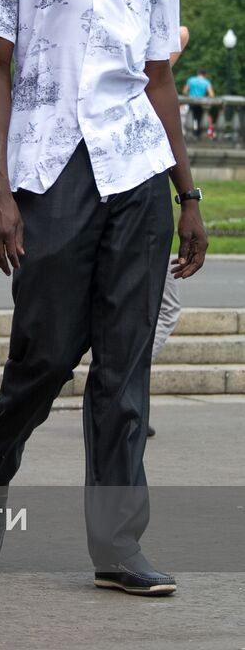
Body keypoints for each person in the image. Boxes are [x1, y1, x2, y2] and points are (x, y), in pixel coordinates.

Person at [0, 0, 207, 596]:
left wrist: (187, 194)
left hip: (135, 170)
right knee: (47, 351)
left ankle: (117, 547)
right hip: (50, 167)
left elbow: (157, 77)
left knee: (124, 368)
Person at [148, 26, 189, 438]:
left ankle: (120, 387)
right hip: (141, 201)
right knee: (166, 309)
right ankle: (122, 386)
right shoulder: (145, 79)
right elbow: (183, 32)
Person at [183, 69, 214, 136]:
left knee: (190, 118)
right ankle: (198, 135)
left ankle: (189, 135)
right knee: (200, 119)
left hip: (191, 102)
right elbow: (211, 95)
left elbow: (184, 92)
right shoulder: (206, 82)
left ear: (198, 73)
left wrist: (189, 96)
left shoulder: (191, 80)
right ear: (205, 75)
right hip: (200, 103)